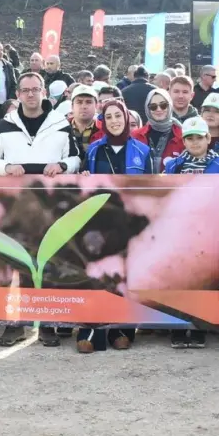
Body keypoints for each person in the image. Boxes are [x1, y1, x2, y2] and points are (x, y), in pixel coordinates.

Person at [0, 70, 82, 347]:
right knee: (17, 265)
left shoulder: (60, 123)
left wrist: (62, 165)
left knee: (49, 263)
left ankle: (46, 323)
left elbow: (76, 159)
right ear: (18, 94)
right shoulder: (4, 125)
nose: (31, 94)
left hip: (51, 205)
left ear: (44, 92)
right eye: (26, 90)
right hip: (15, 206)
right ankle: (16, 324)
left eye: (36, 89)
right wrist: (5, 167)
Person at [74, 98, 147, 353]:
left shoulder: (142, 150)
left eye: (118, 116)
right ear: (103, 121)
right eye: (109, 117)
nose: (114, 121)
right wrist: (84, 177)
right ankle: (91, 331)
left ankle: (121, 330)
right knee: (97, 272)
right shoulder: (94, 150)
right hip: (100, 221)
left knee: (124, 274)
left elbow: (150, 186)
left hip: (128, 222)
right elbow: (85, 186)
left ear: (126, 118)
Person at [134, 88, 183, 173]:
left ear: (169, 106)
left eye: (163, 105)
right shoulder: (135, 136)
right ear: (148, 109)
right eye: (153, 107)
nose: (159, 109)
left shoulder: (182, 135)